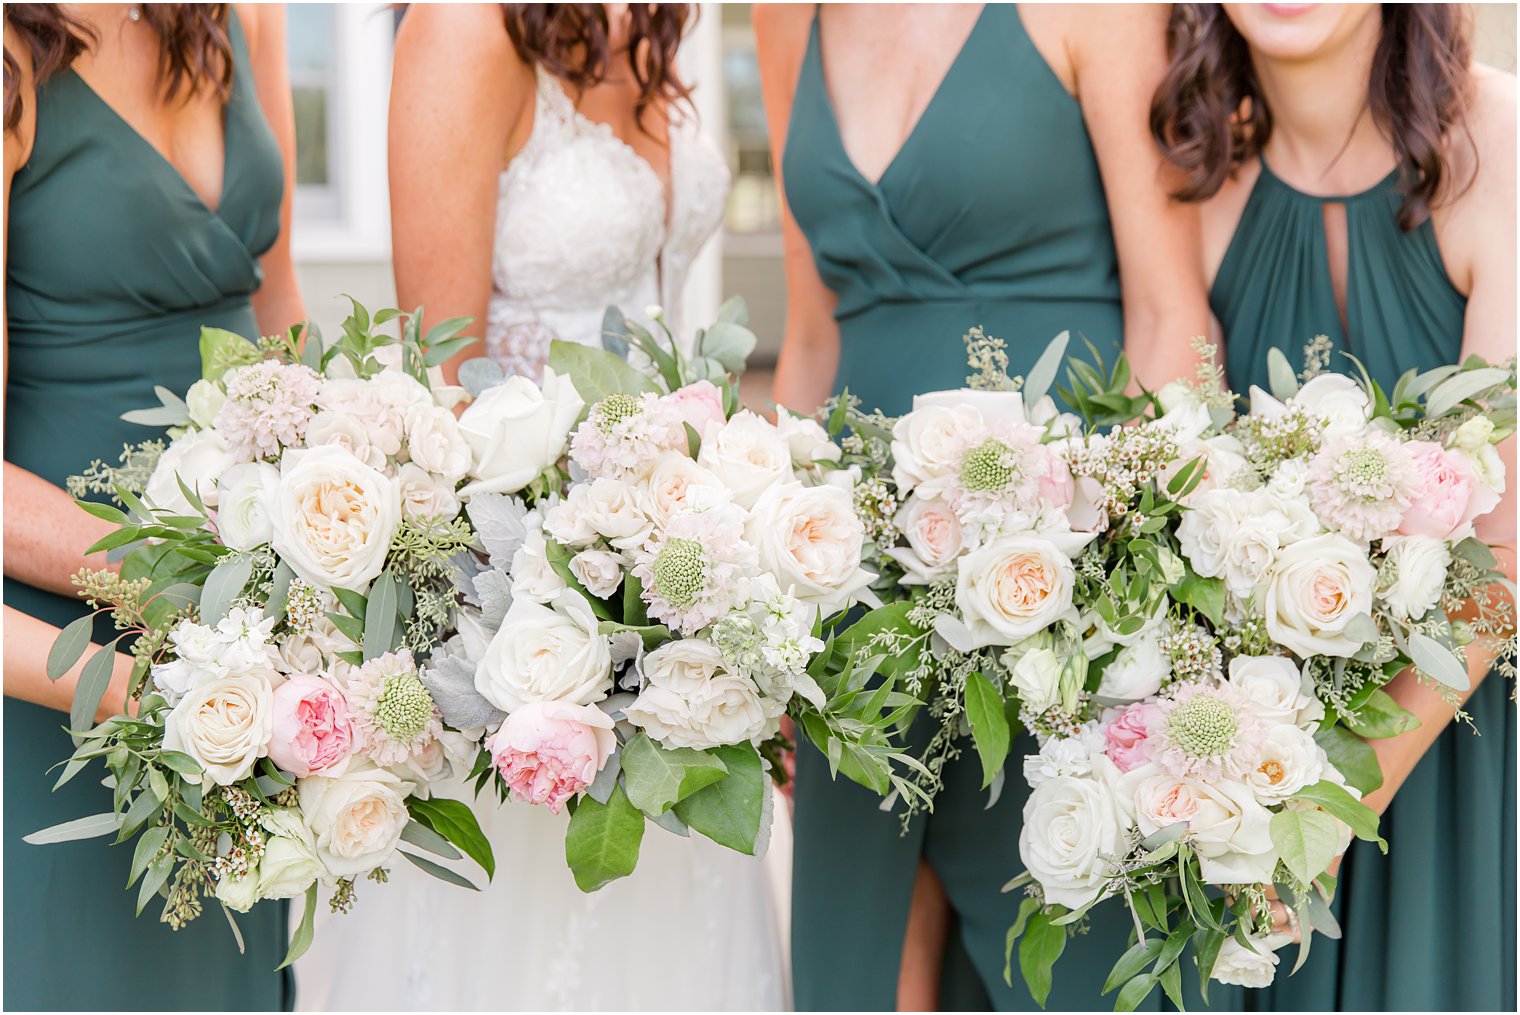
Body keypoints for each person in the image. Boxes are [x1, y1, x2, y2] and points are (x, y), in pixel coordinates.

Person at [291, 6, 788, 1009]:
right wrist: (572, 593)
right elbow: (443, 383)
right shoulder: (462, 29)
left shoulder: (649, 20)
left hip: (674, 578)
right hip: (519, 596)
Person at [754, 3, 1208, 1009]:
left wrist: (1119, 589)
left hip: (1064, 590)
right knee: (862, 967)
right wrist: (769, 616)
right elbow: (810, 342)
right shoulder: (787, 15)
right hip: (857, 603)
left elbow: (1170, 312)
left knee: (1071, 957)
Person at [1151, 3, 1516, 1010]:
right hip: (1248, 770)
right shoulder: (1188, 177)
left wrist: (1322, 818)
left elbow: (1506, 558)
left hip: (1449, 747)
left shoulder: (1501, 146)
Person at [3, 2, 304, 1008]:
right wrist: (178, 601)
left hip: (255, 623)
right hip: (68, 638)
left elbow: (278, 312)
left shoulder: (236, 17)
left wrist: (351, 526)